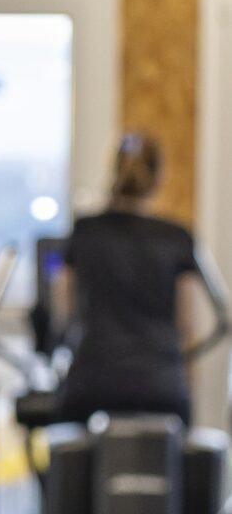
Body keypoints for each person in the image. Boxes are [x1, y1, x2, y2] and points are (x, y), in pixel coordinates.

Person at [51, 131, 231, 427]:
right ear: (159, 178)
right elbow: (186, 324)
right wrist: (182, 376)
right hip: (161, 385)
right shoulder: (176, 238)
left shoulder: (84, 231)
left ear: (114, 172)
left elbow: (64, 310)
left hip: (92, 383)